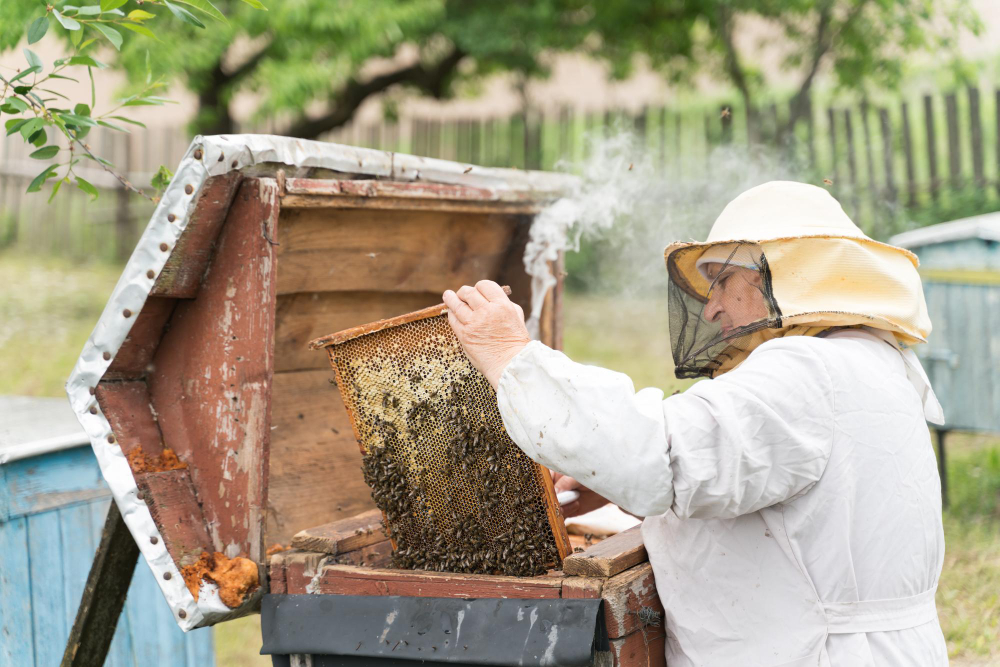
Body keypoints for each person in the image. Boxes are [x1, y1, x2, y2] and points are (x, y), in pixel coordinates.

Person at [442, 181, 947, 666]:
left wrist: (509, 355)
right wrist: (619, 488)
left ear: (788, 271)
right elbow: (784, 505)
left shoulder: (807, 372)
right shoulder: (867, 361)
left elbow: (653, 454)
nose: (711, 308)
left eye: (723, 279)